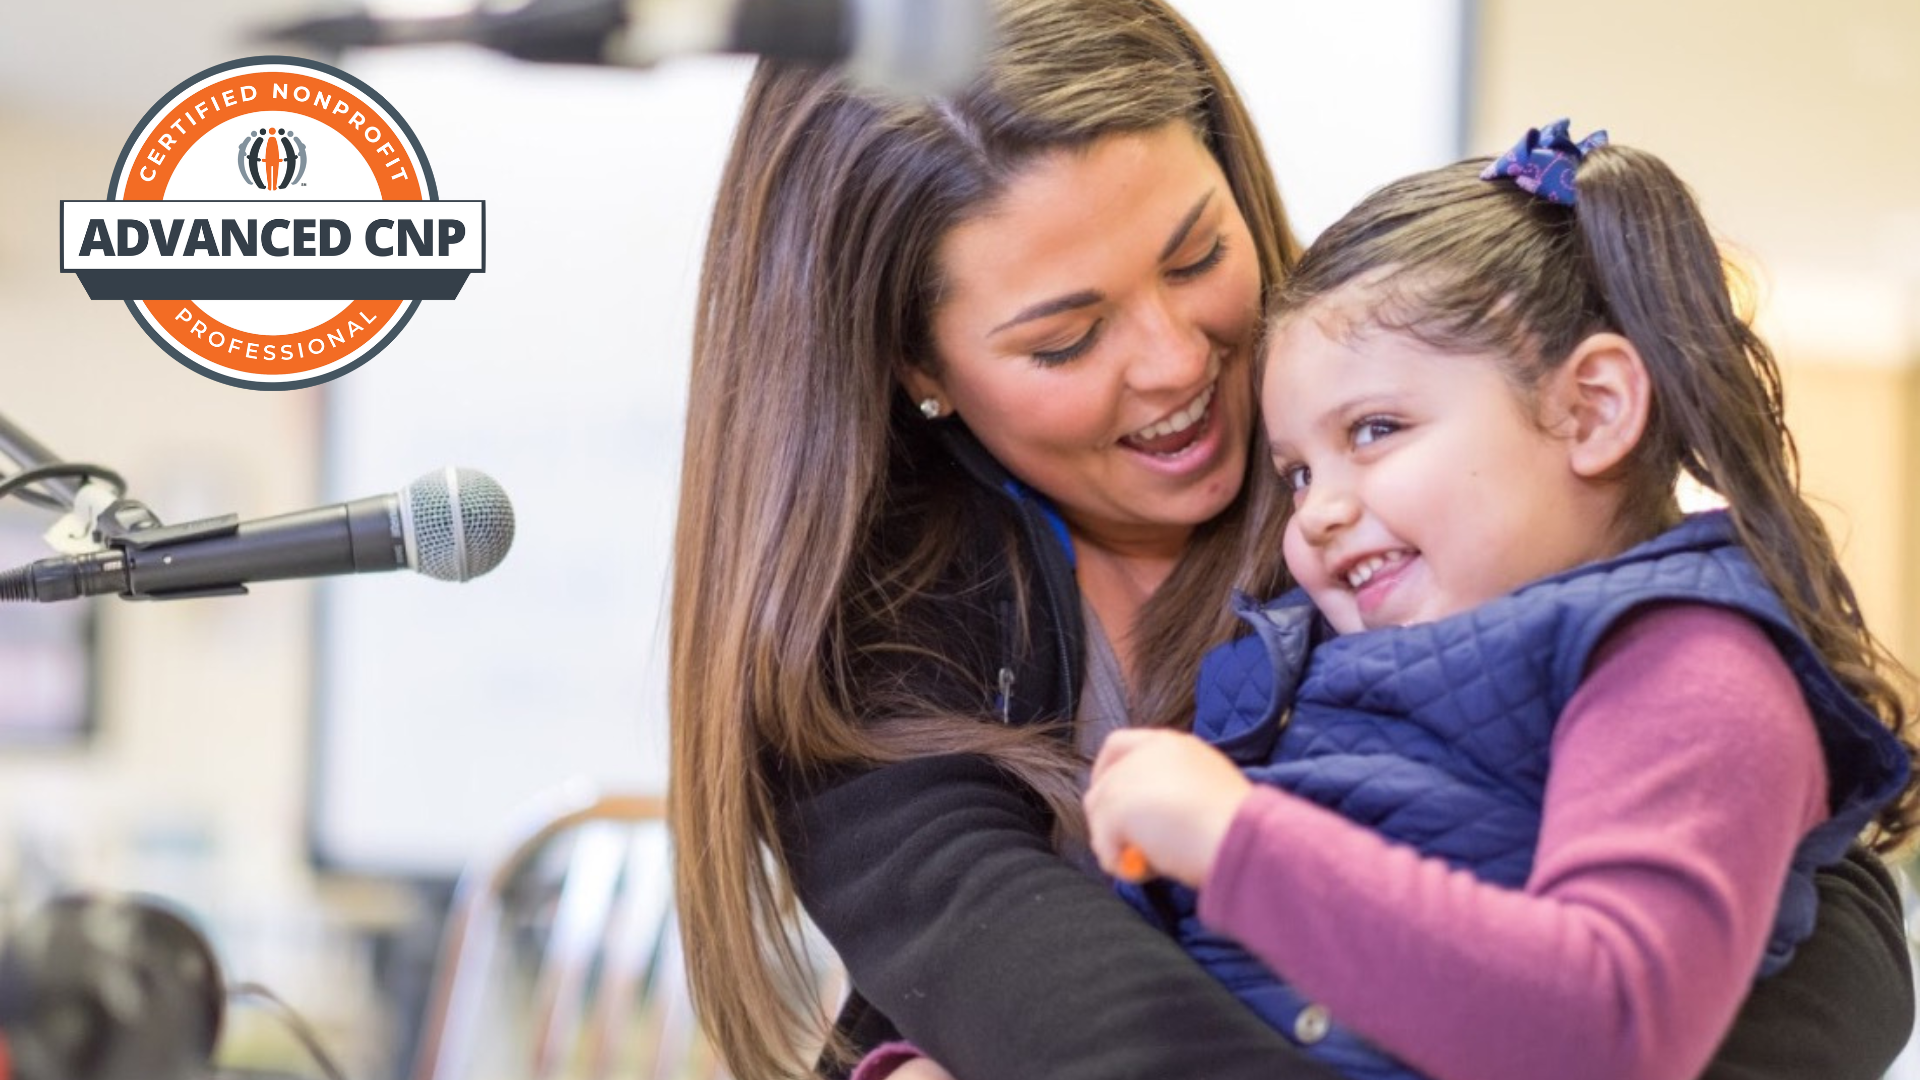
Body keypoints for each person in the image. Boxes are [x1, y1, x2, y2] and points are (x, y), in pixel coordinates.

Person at [665, 2, 1917, 1077]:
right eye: (1064, 340)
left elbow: (1814, 910)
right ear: (912, 367)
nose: (1174, 362)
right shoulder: (865, 646)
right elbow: (1066, 1010)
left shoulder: (1439, 478)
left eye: (1200, 254)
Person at [1066, 121, 1920, 1080]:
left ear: (1593, 409)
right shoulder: (1310, 667)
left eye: (1377, 429)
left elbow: (1612, 1026)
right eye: (1298, 474)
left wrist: (1235, 842)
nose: (1318, 516)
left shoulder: (1692, 663)